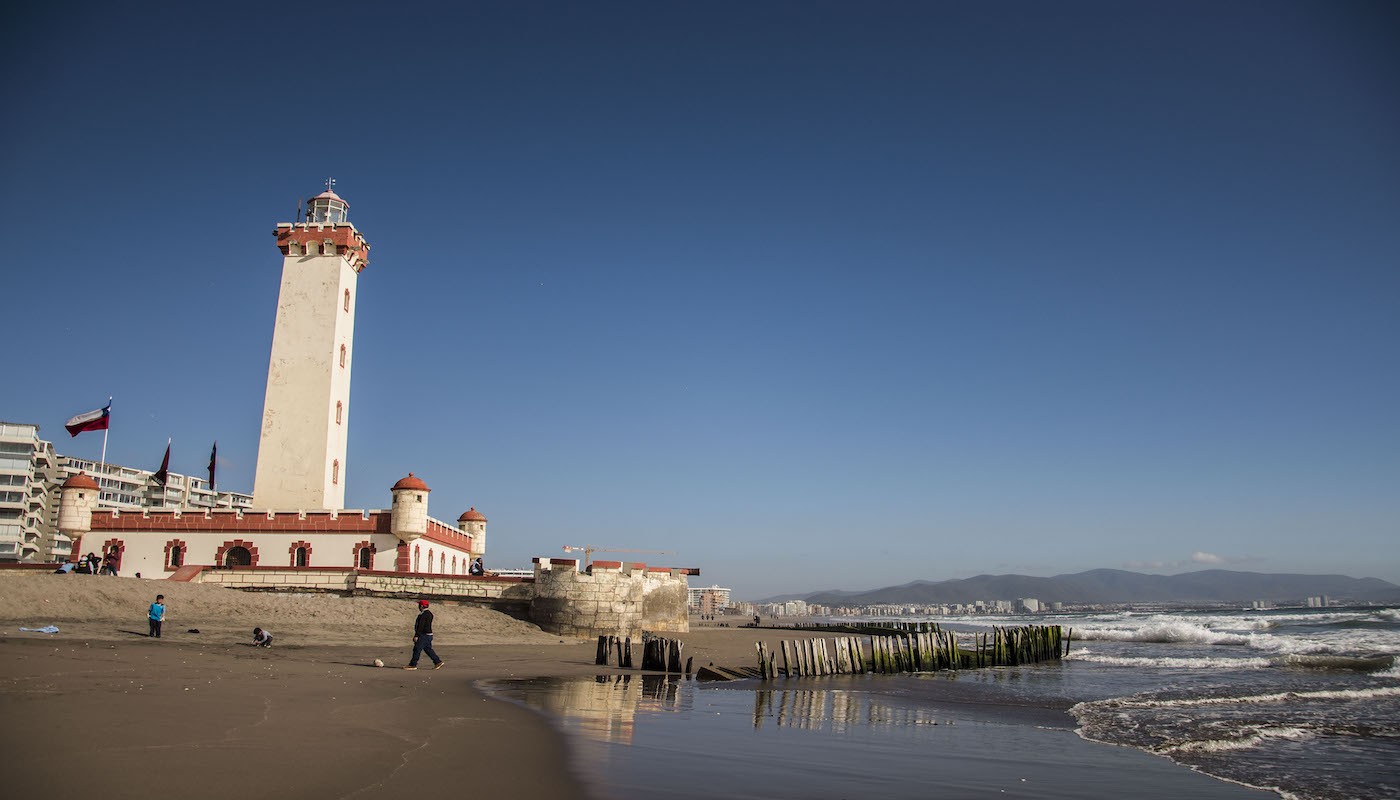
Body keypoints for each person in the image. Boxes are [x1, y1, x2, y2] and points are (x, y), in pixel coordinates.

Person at [404, 599, 443, 670]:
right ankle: (437, 661)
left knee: (417, 649)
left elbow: (421, 626)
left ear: (421, 606)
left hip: (423, 635)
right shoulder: (430, 614)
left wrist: (416, 635)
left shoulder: (423, 615)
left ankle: (413, 665)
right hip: (429, 634)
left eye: (419, 605)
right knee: (428, 649)